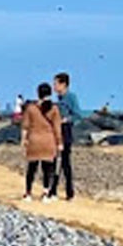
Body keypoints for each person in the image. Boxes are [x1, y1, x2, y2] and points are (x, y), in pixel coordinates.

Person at [21, 83, 62, 203]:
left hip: (34, 140)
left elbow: (25, 126)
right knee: (47, 169)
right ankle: (45, 193)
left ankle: (28, 193)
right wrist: (59, 142)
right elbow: (57, 128)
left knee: (31, 169)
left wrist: (24, 140)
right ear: (50, 93)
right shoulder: (54, 108)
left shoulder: (31, 108)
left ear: (38, 93)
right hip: (48, 141)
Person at [48, 72, 81, 201]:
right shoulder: (58, 100)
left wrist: (66, 119)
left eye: (56, 83)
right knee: (54, 161)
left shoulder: (71, 97)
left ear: (63, 84)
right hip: (56, 131)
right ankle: (53, 190)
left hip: (66, 131)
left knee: (65, 162)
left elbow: (78, 114)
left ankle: (69, 192)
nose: (54, 86)